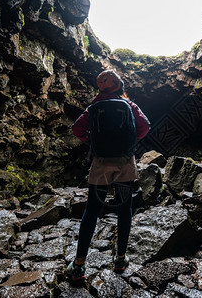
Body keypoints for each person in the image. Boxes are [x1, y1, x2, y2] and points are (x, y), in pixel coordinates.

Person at [67, 70, 150, 281]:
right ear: (119, 85)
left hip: (101, 162)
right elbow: (144, 127)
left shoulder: (93, 108)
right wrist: (127, 144)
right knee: (124, 209)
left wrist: (94, 142)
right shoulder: (129, 105)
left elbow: (77, 129)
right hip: (125, 163)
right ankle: (120, 259)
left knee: (92, 210)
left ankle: (79, 265)